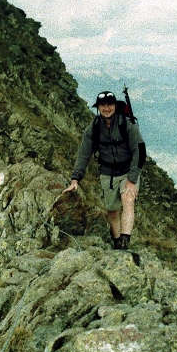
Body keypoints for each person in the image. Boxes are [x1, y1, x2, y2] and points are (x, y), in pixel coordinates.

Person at [63, 90, 146, 250]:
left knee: (128, 200)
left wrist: (132, 179)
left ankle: (124, 241)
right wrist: (75, 180)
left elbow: (140, 151)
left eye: (110, 105)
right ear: (98, 107)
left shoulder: (126, 124)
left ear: (115, 106)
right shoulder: (93, 129)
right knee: (112, 211)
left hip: (128, 171)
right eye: (103, 105)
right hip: (107, 174)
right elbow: (83, 154)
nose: (107, 108)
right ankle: (116, 242)